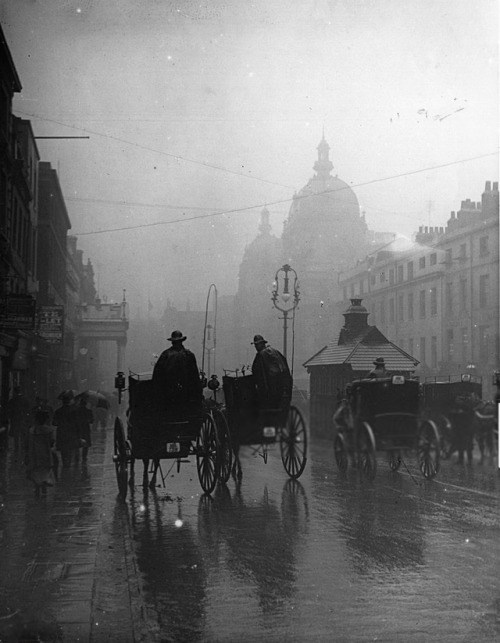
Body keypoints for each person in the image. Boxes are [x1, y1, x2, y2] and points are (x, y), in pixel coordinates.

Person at [152, 330, 203, 416]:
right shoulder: (189, 355)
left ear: (172, 342)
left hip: (168, 397)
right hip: (187, 397)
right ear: (182, 341)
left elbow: (157, 377)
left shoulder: (165, 355)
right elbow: (195, 377)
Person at [251, 334, 293, 412]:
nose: (256, 347)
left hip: (270, 392)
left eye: (257, 345)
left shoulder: (260, 355)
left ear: (262, 344)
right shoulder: (276, 352)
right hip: (283, 390)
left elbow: (255, 372)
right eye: (255, 345)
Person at [26, 409, 55, 496]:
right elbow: (51, 442)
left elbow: (28, 442)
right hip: (46, 453)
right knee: (45, 471)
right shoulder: (49, 430)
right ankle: (44, 488)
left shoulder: (32, 430)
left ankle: (37, 488)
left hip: (35, 453)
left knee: (36, 471)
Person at [52, 392, 79, 467]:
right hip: (70, 433)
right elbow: (76, 422)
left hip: (61, 432)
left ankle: (65, 464)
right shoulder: (73, 411)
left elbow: (54, 423)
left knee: (63, 450)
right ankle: (68, 464)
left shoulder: (58, 411)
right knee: (69, 449)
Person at [6, 386, 31, 453]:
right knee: (23, 435)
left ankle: (17, 450)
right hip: (23, 420)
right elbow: (28, 411)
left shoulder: (12, 401)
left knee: (16, 436)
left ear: (14, 392)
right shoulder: (25, 400)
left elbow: (9, 411)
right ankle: (23, 449)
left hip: (15, 421)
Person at [74, 396, 94, 462]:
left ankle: (77, 457)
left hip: (77, 428)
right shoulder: (88, 411)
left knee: (77, 443)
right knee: (86, 444)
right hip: (85, 428)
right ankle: (84, 457)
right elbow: (92, 421)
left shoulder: (75, 411)